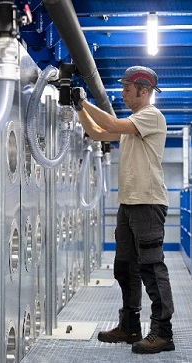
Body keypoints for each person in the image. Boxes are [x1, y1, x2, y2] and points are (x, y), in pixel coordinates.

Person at [72, 66, 175, 355]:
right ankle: (130, 327)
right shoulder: (133, 124)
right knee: (125, 268)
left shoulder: (151, 117)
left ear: (144, 92)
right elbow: (97, 133)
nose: (122, 93)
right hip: (129, 204)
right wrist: (76, 106)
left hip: (148, 202)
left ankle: (162, 333)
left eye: (127, 89)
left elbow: (113, 126)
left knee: (151, 267)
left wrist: (83, 101)